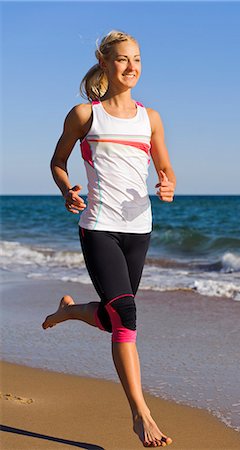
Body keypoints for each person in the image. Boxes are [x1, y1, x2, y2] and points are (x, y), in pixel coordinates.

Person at [42, 30, 176, 448]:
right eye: (122, 59)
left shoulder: (150, 118)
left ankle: (70, 311)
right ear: (104, 62)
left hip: (140, 229)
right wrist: (67, 191)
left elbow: (167, 171)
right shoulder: (86, 115)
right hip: (99, 225)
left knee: (112, 318)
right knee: (128, 317)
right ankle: (141, 413)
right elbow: (58, 161)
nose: (131, 66)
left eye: (137, 59)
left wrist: (167, 185)